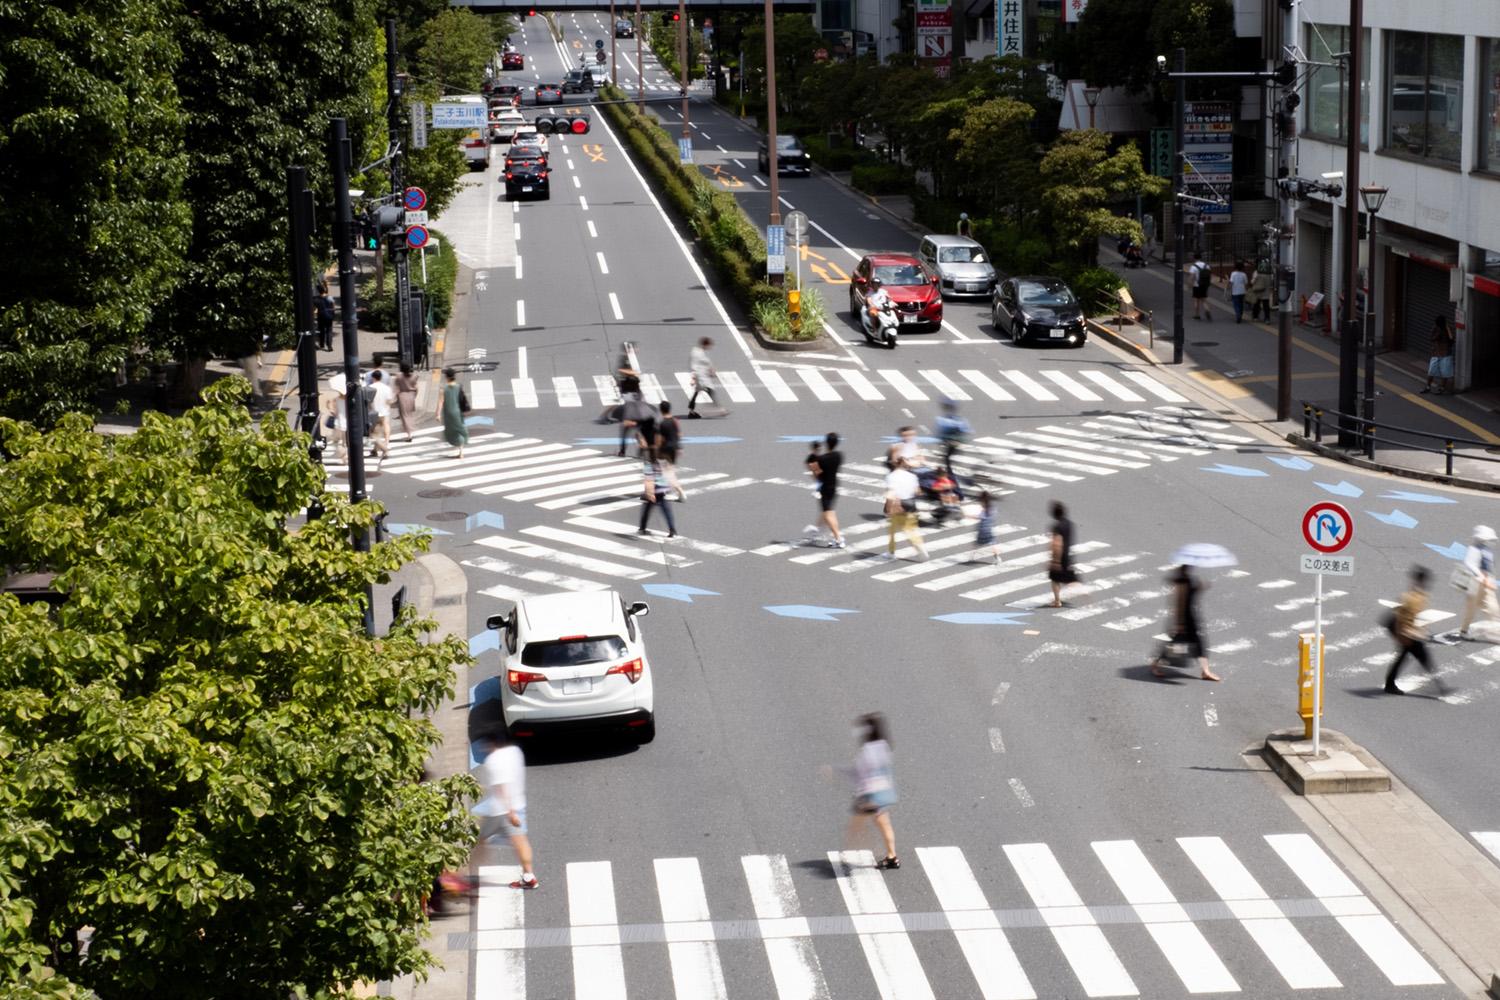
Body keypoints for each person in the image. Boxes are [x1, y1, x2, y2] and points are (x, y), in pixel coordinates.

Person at [474, 731, 538, 890]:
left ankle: (462, 877)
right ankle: (529, 876)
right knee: (521, 842)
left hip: (500, 811)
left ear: (491, 744)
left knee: (479, 840)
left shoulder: (493, 760)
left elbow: (502, 787)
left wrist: (510, 813)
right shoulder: (515, 752)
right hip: (519, 804)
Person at [841, 713, 900, 871]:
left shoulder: (867, 750)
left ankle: (853, 852)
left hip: (871, 796)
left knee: (856, 824)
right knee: (883, 824)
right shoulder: (884, 746)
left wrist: (837, 771)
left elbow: (859, 773)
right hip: (884, 792)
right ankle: (891, 857)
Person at [1153, 565, 1221, 681]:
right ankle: (1155, 664)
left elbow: (1192, 594)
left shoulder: (1189, 579)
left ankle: (1205, 671)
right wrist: (1179, 624)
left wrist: (1200, 587)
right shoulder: (1182, 582)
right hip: (1184, 619)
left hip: (1191, 616)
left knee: (1198, 643)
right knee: (1175, 644)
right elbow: (1179, 603)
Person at [1385, 566, 1440, 695]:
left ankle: (1438, 685)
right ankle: (1439, 686)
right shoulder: (1409, 597)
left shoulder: (1420, 595)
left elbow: (1416, 616)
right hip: (1406, 634)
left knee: (1414, 658)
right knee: (1421, 658)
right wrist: (1401, 637)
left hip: (1411, 633)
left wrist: (1421, 631)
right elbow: (1399, 619)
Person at [883, 458, 928, 561]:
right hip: (911, 503)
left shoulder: (891, 476)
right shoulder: (912, 476)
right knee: (911, 528)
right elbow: (918, 491)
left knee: (892, 529)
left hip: (898, 504)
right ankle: (920, 546)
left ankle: (891, 552)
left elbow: (891, 494)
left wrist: (888, 509)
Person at [1458, 525, 1497, 640]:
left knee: (1492, 608)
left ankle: (1496, 633)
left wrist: (1489, 579)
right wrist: (1483, 577)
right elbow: (1469, 563)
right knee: (1472, 609)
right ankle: (1464, 631)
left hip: (1485, 583)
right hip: (1475, 583)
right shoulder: (1474, 549)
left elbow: (1488, 567)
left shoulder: (1485, 549)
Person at [811, 432, 844, 548]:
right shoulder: (839, 456)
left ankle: (839, 539)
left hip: (825, 488)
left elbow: (817, 475)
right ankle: (837, 536)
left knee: (828, 514)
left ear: (826, 443)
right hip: (834, 486)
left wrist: (814, 468)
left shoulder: (821, 459)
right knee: (831, 512)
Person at [637, 445, 678, 538]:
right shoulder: (665, 463)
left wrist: (649, 492)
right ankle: (672, 529)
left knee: (647, 510)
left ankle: (642, 528)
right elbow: (670, 475)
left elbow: (648, 480)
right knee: (667, 511)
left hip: (654, 490)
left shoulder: (649, 466)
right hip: (662, 490)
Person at [1047, 501, 1078, 607]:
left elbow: (1057, 544)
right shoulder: (1069, 524)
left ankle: (1057, 601)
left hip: (1060, 556)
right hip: (1068, 554)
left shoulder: (1057, 527)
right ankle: (1084, 592)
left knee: (1055, 579)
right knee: (1070, 578)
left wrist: (1055, 561)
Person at [654, 400, 686, 502]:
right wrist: (679, 447)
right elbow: (679, 435)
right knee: (668, 470)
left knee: (667, 473)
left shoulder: (661, 424)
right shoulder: (675, 421)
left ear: (661, 410)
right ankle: (665, 489)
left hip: (665, 450)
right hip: (674, 449)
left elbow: (659, 441)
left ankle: (680, 491)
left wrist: (656, 451)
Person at [687, 337, 723, 418]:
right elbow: (694, 366)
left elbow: (706, 364)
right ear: (705, 344)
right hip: (700, 377)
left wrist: (711, 371)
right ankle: (720, 409)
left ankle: (691, 411)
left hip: (703, 376)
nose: (710, 347)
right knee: (710, 390)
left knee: (697, 393)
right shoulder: (697, 353)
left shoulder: (700, 352)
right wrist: (693, 378)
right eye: (709, 345)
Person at [935, 399, 971, 478]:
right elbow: (966, 430)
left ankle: (950, 473)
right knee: (948, 457)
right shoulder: (957, 419)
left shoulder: (947, 420)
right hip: (954, 441)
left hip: (953, 442)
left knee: (947, 458)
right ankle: (950, 471)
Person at [1421, 316, 1455, 394]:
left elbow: (1452, 340)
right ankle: (1428, 386)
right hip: (1436, 353)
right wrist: (1438, 334)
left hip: (1446, 354)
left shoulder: (1448, 329)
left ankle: (1442, 388)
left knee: (1445, 373)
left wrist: (1448, 330)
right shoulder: (1435, 328)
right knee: (1431, 371)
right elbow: (1432, 338)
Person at [441, 367, 469, 459]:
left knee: (451, 430)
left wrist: (437, 414)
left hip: (448, 413)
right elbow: (462, 399)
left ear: (447, 377)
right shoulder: (458, 386)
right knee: (460, 430)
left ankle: (456, 445)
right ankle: (461, 451)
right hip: (458, 412)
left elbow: (440, 402)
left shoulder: (444, 389)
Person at [368, 369, 394, 460]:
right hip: (384, 412)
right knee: (379, 432)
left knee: (373, 434)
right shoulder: (387, 388)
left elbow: (368, 402)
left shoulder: (370, 388)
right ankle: (375, 450)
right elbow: (390, 401)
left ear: (373, 377)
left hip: (373, 414)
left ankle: (385, 449)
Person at [971, 491, 1000, 564]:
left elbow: (979, 517)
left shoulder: (984, 510)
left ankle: (973, 556)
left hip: (983, 530)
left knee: (977, 542)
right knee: (992, 543)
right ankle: (997, 558)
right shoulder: (992, 509)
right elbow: (993, 517)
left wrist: (968, 516)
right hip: (989, 529)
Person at [393, 362, 419, 442]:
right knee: (409, 414)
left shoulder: (398, 376)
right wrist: (414, 396)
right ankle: (411, 429)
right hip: (411, 395)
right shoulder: (414, 376)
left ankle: (409, 433)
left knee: (404, 416)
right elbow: (417, 388)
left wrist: (394, 398)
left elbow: (397, 389)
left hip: (402, 396)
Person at [316, 283, 336, 351]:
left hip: (320, 316)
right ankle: (329, 346)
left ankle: (321, 344)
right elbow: (333, 305)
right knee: (329, 331)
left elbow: (314, 308)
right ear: (324, 290)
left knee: (321, 330)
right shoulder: (329, 297)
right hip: (329, 316)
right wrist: (333, 313)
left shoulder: (316, 299)